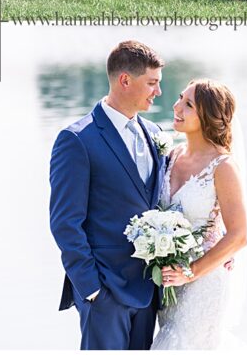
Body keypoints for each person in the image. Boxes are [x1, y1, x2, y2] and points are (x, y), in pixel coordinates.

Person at [50, 41, 166, 350]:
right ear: (125, 80)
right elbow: (65, 223)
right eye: (152, 83)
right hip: (105, 291)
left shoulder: (155, 134)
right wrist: (91, 289)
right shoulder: (77, 140)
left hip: (148, 289)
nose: (158, 92)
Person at [151, 79, 247, 349]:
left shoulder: (223, 166)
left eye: (188, 104)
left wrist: (190, 272)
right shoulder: (171, 155)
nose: (176, 106)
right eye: (180, 98)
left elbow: (239, 236)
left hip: (203, 284)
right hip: (169, 285)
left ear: (208, 116)